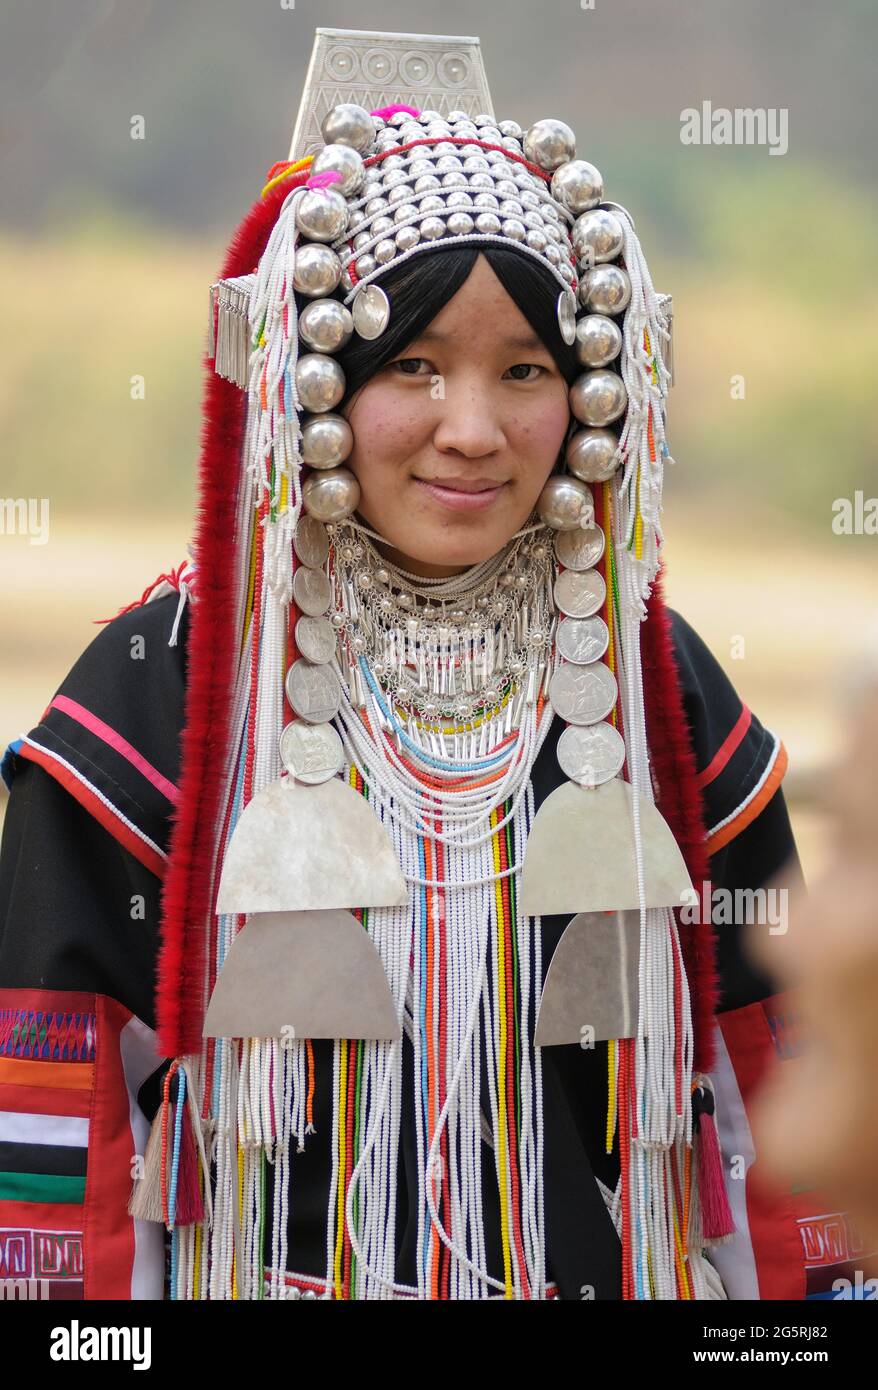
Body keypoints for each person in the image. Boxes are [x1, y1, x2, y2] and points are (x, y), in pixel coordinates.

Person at [0, 28, 806, 1301]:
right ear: (306, 387)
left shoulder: (656, 691)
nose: (473, 431)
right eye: (411, 366)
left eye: (527, 370)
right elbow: (54, 1161)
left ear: (592, 393)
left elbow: (792, 1100)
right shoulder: (155, 697)